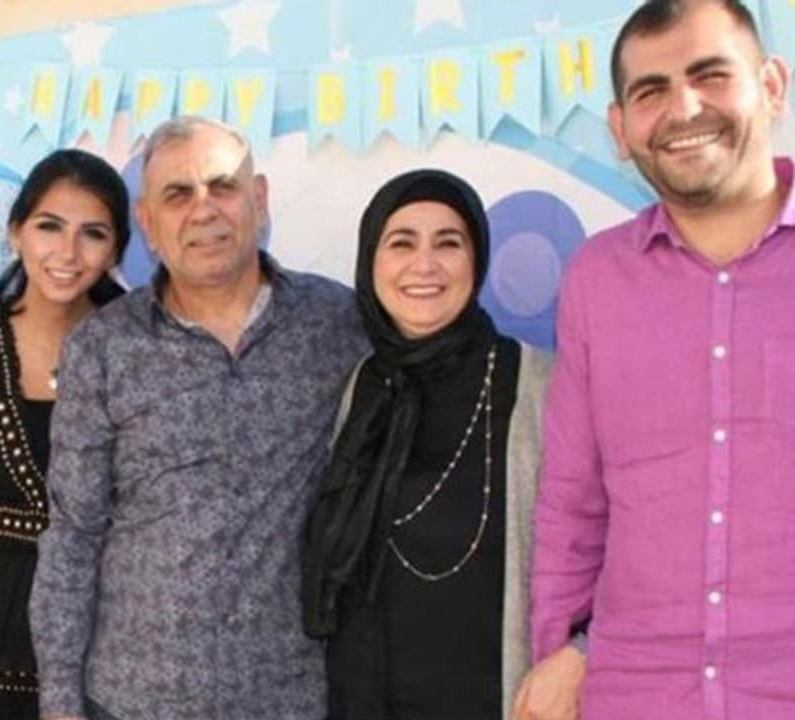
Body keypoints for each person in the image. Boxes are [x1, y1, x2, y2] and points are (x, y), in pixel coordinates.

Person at [29, 116, 367, 720]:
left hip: (289, 697)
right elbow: (73, 533)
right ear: (147, 222)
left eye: (222, 186)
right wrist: (59, 702)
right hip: (133, 699)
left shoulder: (337, 322)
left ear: (259, 199)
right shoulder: (102, 347)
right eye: (178, 194)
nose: (204, 210)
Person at [529, 1, 795, 718]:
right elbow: (572, 501)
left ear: (772, 86)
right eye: (652, 91)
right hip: (634, 690)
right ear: (620, 130)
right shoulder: (596, 280)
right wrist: (559, 651)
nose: (684, 108)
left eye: (711, 75)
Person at [302, 169, 558, 720]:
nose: (425, 265)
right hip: (361, 698)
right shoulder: (362, 386)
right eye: (401, 243)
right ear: (371, 261)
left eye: (448, 243)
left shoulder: (538, 384)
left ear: (477, 261)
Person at [0, 148, 130, 720]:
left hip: (118, 623)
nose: (67, 252)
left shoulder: (142, 348)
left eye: (93, 233)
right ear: (16, 231)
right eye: (49, 227)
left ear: (116, 250)